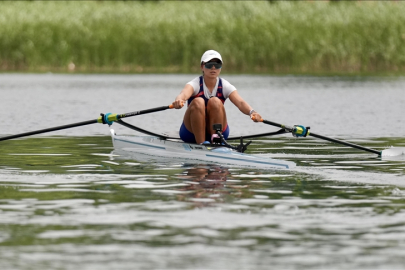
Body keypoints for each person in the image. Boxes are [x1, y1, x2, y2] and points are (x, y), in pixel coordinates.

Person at [172, 50, 262, 144]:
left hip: (219, 131)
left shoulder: (225, 85)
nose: (213, 68)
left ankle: (216, 140)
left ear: (221, 67)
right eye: (209, 64)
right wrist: (179, 100)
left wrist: (252, 112)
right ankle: (201, 144)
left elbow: (240, 102)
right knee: (198, 101)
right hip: (191, 133)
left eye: (217, 65)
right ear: (202, 67)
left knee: (215, 101)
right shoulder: (195, 84)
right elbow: (184, 94)